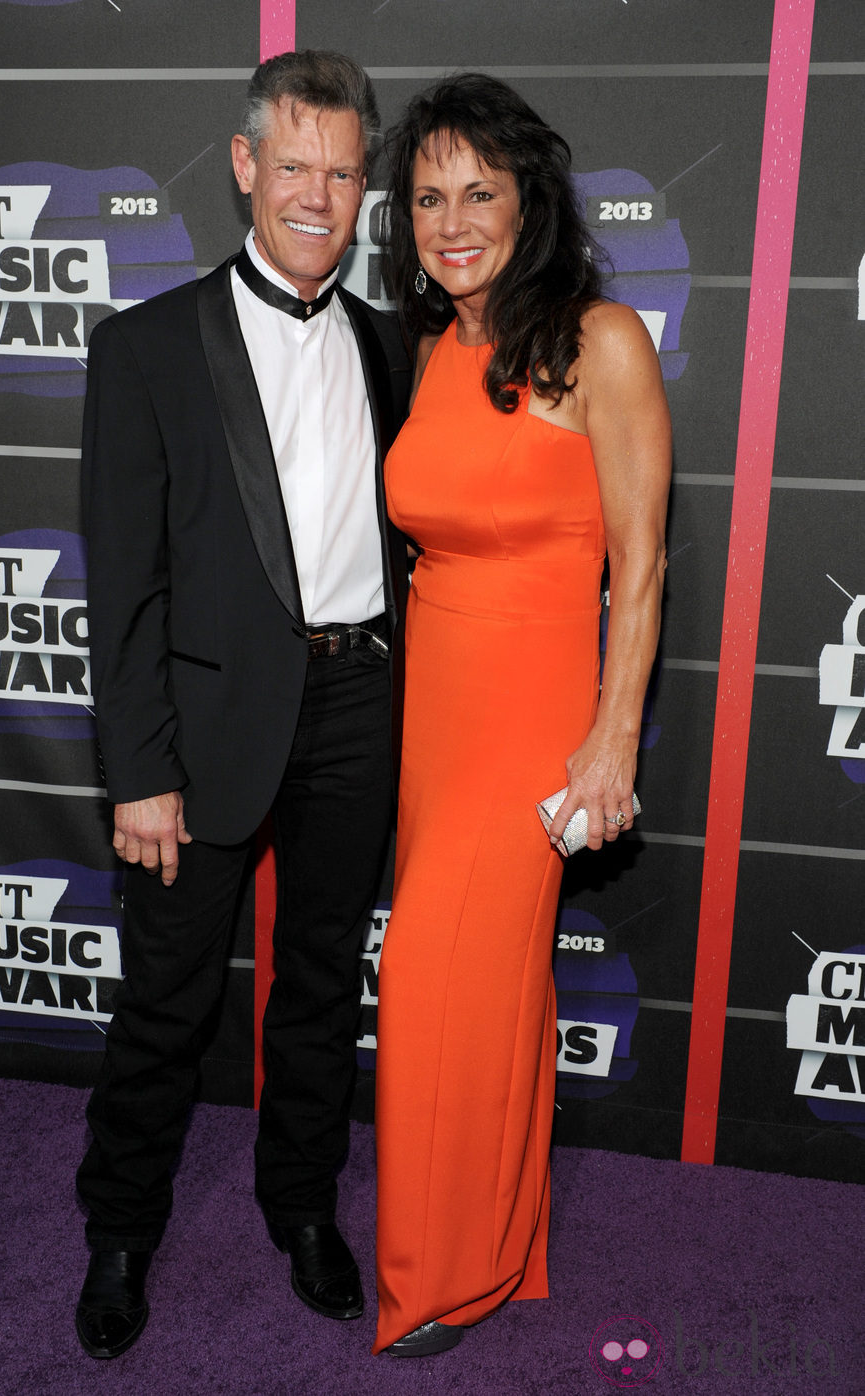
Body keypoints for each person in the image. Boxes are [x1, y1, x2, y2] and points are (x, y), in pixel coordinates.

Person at [74, 50, 410, 1360]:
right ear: (243, 166)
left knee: (321, 986)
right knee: (168, 1000)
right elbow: (126, 586)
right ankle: (119, 1231)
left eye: (341, 170)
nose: (318, 194)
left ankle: (302, 1209)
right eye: (294, 166)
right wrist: (138, 768)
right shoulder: (147, 347)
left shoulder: (392, 342)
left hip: (359, 709)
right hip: (201, 735)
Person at [372, 73, 671, 1357]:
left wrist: (608, 738)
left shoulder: (602, 341)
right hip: (431, 701)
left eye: (476, 193)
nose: (451, 222)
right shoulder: (430, 348)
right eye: (429, 197)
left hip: (534, 702)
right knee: (487, 993)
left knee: (443, 985)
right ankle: (492, 1242)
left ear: (528, 199)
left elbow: (642, 565)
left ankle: (440, 1270)